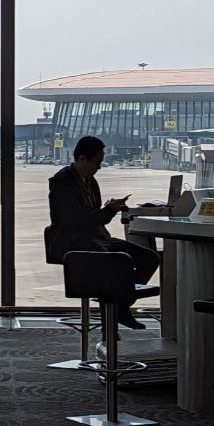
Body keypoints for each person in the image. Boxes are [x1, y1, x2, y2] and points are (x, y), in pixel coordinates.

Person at [46, 136, 159, 329]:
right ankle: (116, 306)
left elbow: (92, 215)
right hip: (73, 241)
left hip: (96, 237)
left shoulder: (91, 181)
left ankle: (120, 303)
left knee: (149, 258)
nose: (99, 167)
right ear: (82, 158)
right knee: (116, 262)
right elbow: (75, 221)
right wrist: (109, 211)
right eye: (96, 162)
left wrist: (108, 209)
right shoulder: (63, 183)